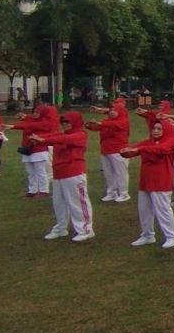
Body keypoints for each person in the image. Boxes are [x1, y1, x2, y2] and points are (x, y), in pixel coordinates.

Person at [31, 111, 95, 242]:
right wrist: (38, 138)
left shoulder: (80, 134)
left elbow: (63, 139)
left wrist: (43, 140)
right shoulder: (61, 134)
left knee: (77, 202)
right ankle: (61, 228)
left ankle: (85, 229)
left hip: (74, 172)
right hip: (59, 173)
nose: (65, 124)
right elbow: (54, 136)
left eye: (67, 122)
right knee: (59, 203)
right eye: (63, 122)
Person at [120, 118, 174, 248]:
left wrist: (139, 150)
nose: (156, 131)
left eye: (159, 129)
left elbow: (162, 149)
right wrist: (125, 151)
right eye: (154, 128)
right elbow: (134, 149)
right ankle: (147, 235)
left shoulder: (170, 140)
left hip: (161, 180)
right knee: (144, 209)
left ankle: (172, 236)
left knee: (163, 209)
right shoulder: (149, 142)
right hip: (146, 180)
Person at [86, 100, 131, 203]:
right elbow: (99, 127)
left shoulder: (123, 121)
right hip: (106, 150)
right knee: (108, 173)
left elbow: (113, 125)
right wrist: (90, 125)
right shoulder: (107, 121)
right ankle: (111, 192)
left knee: (120, 173)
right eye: (111, 110)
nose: (111, 112)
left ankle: (124, 193)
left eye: (115, 110)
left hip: (118, 150)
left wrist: (100, 123)